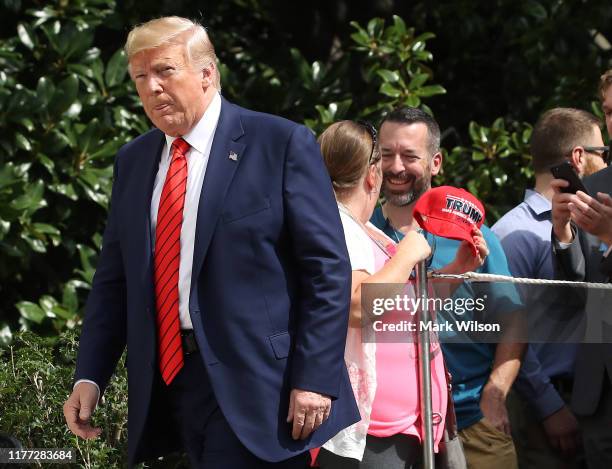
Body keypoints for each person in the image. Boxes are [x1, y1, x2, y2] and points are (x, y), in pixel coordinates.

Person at [62, 16, 360, 468]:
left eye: (165, 71)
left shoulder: (278, 143)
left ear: (207, 74)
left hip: (261, 387)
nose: (152, 88)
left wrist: (315, 377)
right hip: (167, 389)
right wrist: (90, 376)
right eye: (140, 77)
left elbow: (326, 269)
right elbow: (114, 281)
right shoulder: (134, 160)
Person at [313, 121, 487, 469]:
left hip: (408, 429)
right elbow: (360, 306)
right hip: (371, 436)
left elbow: (403, 308)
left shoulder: (366, 229)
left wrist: (455, 269)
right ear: (371, 175)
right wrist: (408, 254)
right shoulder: (340, 226)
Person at [370, 107, 524, 469]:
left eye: (409, 156)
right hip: (389, 432)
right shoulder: (360, 232)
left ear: (435, 162)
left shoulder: (475, 236)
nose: (395, 167)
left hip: (471, 423)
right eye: (386, 154)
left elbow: (514, 319)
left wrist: (496, 393)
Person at [492, 107, 607, 468]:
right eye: (603, 155)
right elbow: (504, 331)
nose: (607, 165)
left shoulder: (588, 224)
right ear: (578, 157)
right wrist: (549, 407)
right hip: (546, 409)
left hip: (589, 400)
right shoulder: (512, 235)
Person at [551, 70, 612, 469]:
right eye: (609, 111)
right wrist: (563, 233)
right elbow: (576, 295)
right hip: (599, 394)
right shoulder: (596, 185)